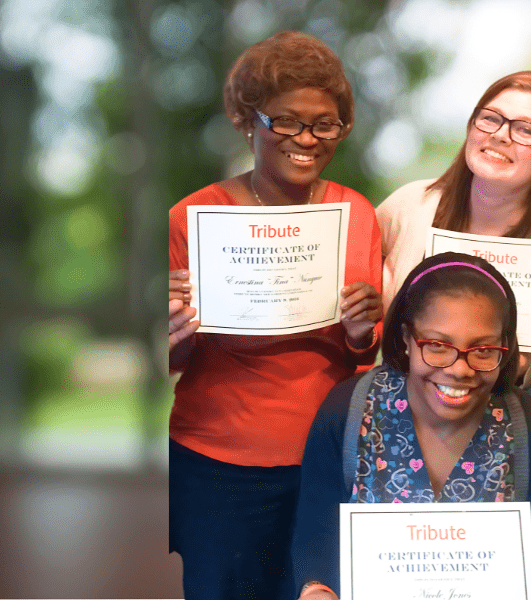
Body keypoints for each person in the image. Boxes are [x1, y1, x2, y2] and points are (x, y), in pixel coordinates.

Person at [167, 31, 382, 600]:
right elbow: (170, 356)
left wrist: (363, 331)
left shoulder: (356, 214)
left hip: (327, 452)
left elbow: (366, 351)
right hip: (217, 458)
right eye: (285, 121)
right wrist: (174, 334)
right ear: (247, 119)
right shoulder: (192, 217)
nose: (306, 138)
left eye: (325, 124)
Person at [290, 253, 531, 600]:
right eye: (437, 346)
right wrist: (316, 591)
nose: (460, 369)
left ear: (505, 349)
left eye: (483, 349)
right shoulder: (349, 411)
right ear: (405, 338)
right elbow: (317, 530)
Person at [376, 70, 531, 394]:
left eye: (525, 130)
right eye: (491, 118)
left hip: (497, 428)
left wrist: (515, 366)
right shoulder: (409, 205)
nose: (501, 135)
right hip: (396, 418)